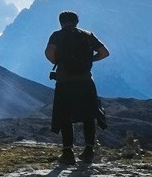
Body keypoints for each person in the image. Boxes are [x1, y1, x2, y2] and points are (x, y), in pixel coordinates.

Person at [44, 10, 109, 165]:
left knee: (64, 115)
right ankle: (89, 150)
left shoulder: (56, 35)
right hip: (86, 81)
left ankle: (68, 152)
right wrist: (90, 60)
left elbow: (49, 52)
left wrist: (60, 62)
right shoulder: (87, 35)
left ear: (61, 22)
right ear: (76, 22)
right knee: (89, 115)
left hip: (64, 81)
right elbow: (104, 52)